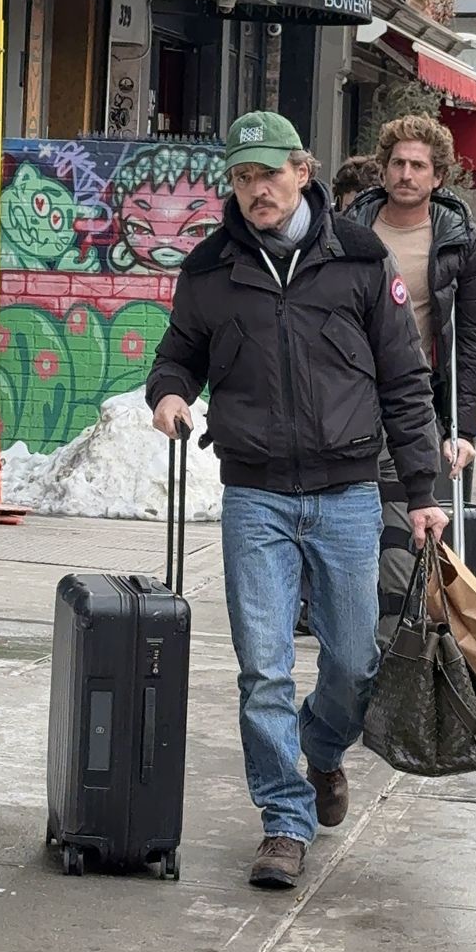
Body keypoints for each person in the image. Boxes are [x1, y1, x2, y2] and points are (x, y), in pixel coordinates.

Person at [146, 111, 447, 889]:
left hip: (348, 493)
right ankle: (284, 820)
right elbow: (177, 353)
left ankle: (321, 750)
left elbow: (405, 381)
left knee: (354, 662)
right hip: (256, 497)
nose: (255, 191)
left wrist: (424, 491)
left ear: (302, 172)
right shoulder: (211, 269)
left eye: (268, 175)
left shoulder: (358, 257)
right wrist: (171, 394)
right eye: (242, 178)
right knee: (265, 670)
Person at [346, 115, 476, 630]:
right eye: (398, 163)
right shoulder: (347, 231)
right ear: (382, 170)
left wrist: (464, 429)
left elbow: (474, 340)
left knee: (404, 529)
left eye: (419, 166)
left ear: (438, 177)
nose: (406, 174)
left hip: (415, 399)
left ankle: (392, 643)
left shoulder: (461, 242)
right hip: (342, 396)